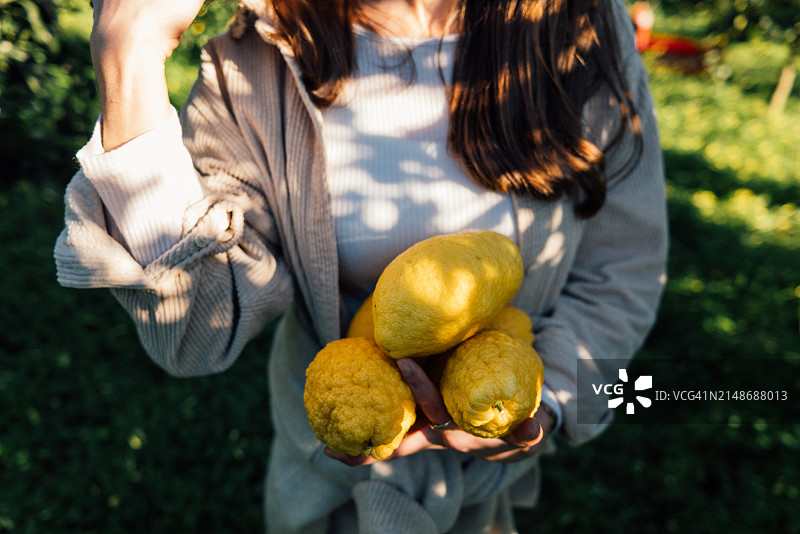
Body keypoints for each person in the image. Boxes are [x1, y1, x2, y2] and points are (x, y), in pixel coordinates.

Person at [54, 0, 668, 531]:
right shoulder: (258, 53)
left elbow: (623, 267)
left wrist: (550, 397)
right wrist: (130, 60)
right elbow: (192, 332)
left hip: (482, 504)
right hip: (323, 487)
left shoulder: (579, 23)